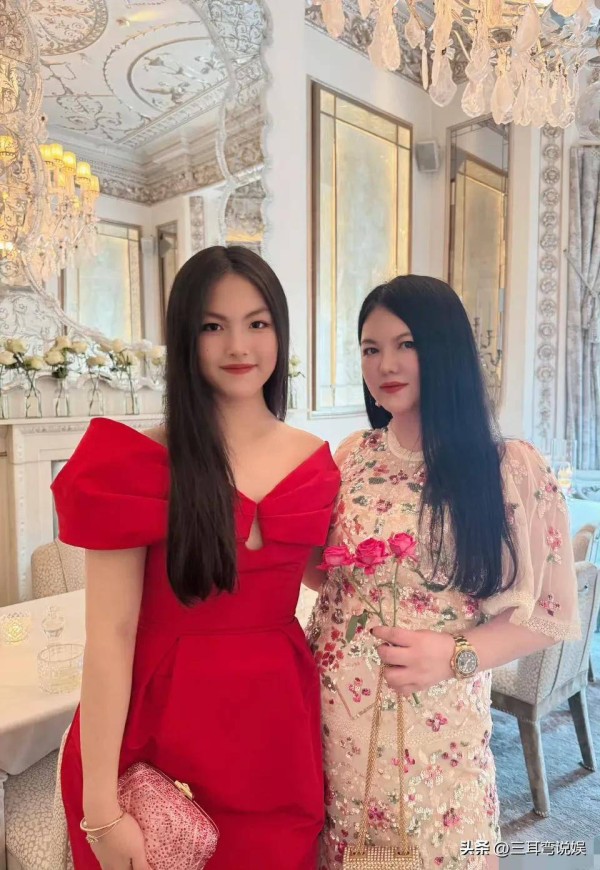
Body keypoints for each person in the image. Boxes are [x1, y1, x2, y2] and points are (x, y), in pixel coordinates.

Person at [52, 245, 341, 870]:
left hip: (277, 731)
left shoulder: (317, 462)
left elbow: (336, 577)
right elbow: (109, 637)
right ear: (185, 337)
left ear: (280, 332)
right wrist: (100, 807)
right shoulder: (135, 464)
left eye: (257, 323)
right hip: (161, 738)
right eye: (213, 326)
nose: (238, 345)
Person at [305, 275, 580, 870]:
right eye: (371, 348)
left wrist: (455, 654)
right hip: (333, 720)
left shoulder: (507, 466)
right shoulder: (351, 456)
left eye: (406, 344)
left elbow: (549, 615)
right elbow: (331, 579)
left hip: (435, 722)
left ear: (445, 347)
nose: (386, 364)